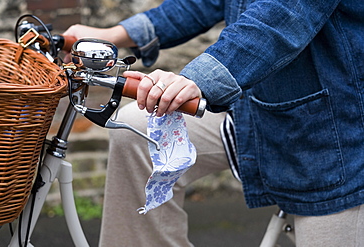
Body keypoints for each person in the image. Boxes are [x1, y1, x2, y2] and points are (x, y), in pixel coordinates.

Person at [64, 0, 364, 246]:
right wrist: (114, 33)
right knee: (137, 129)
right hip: (250, 110)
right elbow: (201, 3)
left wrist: (196, 80)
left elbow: (283, 15)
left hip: (331, 132)